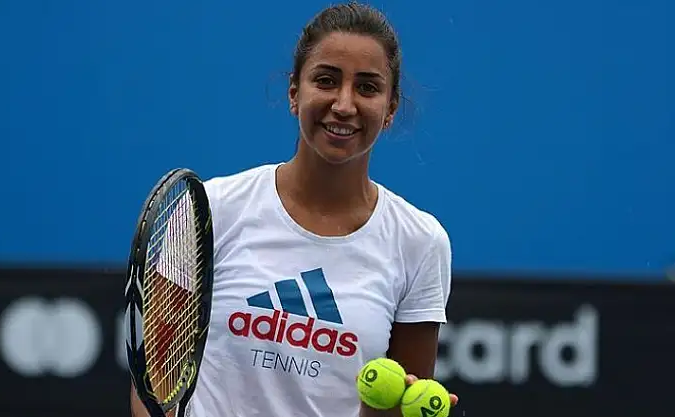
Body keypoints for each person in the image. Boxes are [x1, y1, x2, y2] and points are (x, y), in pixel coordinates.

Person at [130, 2, 459, 416]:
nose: (344, 104)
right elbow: (153, 384)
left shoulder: (421, 243)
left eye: (367, 88)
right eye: (326, 80)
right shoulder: (209, 210)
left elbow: (401, 404)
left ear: (390, 109)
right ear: (294, 93)